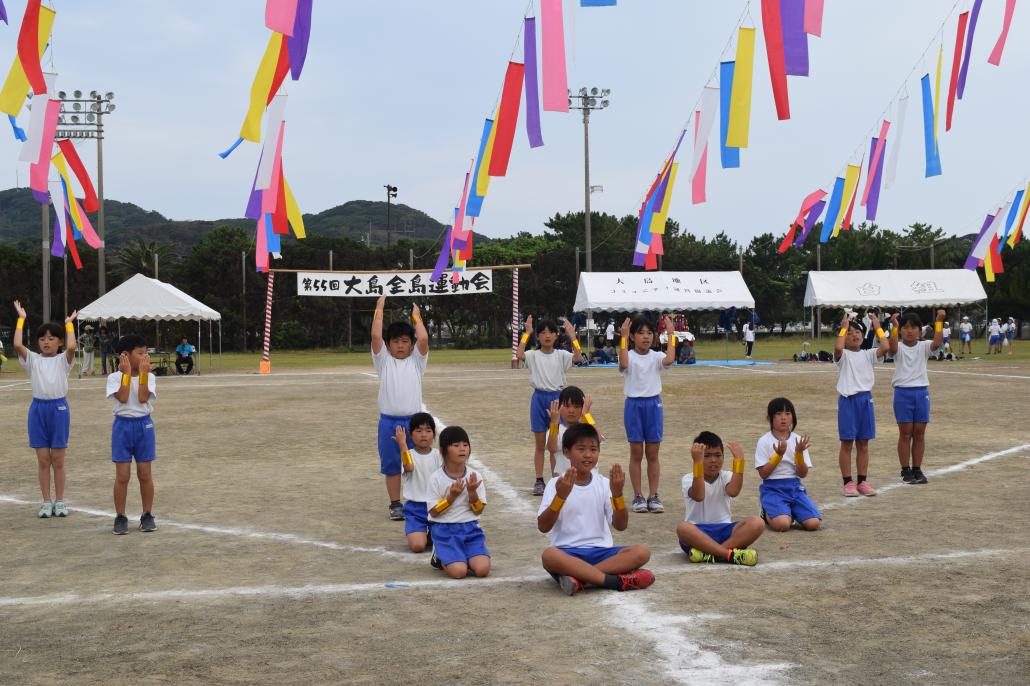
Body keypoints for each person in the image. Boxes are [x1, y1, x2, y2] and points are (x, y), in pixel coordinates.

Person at [538, 423, 654, 595]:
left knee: (642, 551)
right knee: (549, 556)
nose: (588, 455)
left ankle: (581, 578)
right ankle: (612, 581)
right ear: (567, 452)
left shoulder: (604, 483)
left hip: (602, 552)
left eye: (593, 449)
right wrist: (560, 497)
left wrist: (618, 495)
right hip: (568, 554)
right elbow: (543, 526)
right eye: (581, 449)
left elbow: (620, 526)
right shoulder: (556, 484)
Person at [12, 300, 77, 519]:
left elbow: (72, 347)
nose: (46, 342)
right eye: (42, 339)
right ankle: (46, 502)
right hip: (38, 410)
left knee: (58, 460)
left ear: (59, 342)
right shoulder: (33, 360)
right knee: (42, 460)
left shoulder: (63, 360)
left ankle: (60, 501)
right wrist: (21, 320)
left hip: (58, 409)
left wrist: (69, 325)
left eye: (51, 338)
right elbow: (18, 346)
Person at [371, 295, 429, 521]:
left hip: (415, 422)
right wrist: (379, 308)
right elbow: (376, 335)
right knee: (393, 465)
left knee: (419, 461)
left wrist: (417, 318)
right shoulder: (383, 361)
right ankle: (396, 504)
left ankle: (421, 499)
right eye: (395, 341)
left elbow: (423, 339)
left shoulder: (417, 361)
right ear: (388, 345)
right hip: (389, 422)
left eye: (405, 341)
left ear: (411, 345)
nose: (401, 345)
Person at [515, 315, 582, 495]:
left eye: (551, 332)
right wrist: (526, 334)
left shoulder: (561, 355)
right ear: (538, 336)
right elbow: (519, 355)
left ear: (556, 336)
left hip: (557, 400)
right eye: (542, 332)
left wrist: (573, 337)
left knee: (556, 443)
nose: (547, 336)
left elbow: (578, 357)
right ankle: (539, 479)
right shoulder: (533, 355)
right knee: (539, 444)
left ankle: (556, 478)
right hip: (539, 399)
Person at [619, 314, 676, 513]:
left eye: (649, 333)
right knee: (636, 453)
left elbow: (670, 359)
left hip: (653, 405)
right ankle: (638, 496)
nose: (646, 337)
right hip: (634, 406)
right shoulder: (628, 354)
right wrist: (623, 337)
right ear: (633, 336)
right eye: (640, 333)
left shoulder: (656, 356)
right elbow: (624, 364)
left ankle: (653, 495)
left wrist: (671, 335)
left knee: (653, 453)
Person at [677, 432, 762, 565]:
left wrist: (739, 460)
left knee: (757, 523)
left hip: (725, 531)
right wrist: (697, 463)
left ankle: (712, 554)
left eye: (718, 455)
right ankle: (728, 554)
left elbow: (734, 491)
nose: (713, 460)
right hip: (698, 532)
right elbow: (699, 496)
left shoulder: (726, 476)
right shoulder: (688, 478)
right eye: (707, 456)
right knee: (683, 529)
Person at [106, 334, 158, 534]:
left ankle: (147, 514)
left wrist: (143, 374)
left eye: (146, 353)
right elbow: (124, 397)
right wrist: (126, 373)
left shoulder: (149, 376)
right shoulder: (114, 377)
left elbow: (143, 398)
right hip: (122, 427)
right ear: (125, 356)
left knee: (145, 473)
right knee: (122, 475)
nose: (146, 357)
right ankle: (120, 516)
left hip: (144, 427)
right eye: (141, 353)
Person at [834, 312, 890, 497]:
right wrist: (844, 326)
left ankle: (863, 481)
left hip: (865, 400)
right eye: (850, 333)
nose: (854, 335)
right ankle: (847, 482)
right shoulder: (843, 356)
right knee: (847, 444)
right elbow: (838, 348)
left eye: (857, 331)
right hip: (848, 401)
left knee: (863, 444)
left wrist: (877, 326)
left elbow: (886, 346)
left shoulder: (868, 354)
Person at [889, 310, 945, 485]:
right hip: (903, 393)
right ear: (900, 331)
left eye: (913, 327)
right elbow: (891, 347)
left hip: (921, 393)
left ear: (920, 331)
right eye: (905, 327)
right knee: (905, 434)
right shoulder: (898, 347)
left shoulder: (923, 346)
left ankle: (917, 468)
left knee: (919, 434)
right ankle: (905, 470)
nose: (909, 331)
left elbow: (937, 342)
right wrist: (893, 327)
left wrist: (938, 321)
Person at [426, 426, 489, 579]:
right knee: (459, 572)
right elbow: (433, 511)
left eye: (465, 445)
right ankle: (439, 555)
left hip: (471, 530)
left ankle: (461, 556)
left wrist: (472, 493)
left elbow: (478, 511)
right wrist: (451, 498)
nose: (462, 449)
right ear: (443, 451)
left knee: (482, 570)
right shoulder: (436, 478)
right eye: (456, 445)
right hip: (445, 531)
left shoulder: (475, 475)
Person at [755, 398, 821, 531]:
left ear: (793, 417)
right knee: (783, 525)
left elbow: (802, 474)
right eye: (778, 414)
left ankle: (788, 510)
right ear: (769, 418)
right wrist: (778, 455)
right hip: (773, 488)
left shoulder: (798, 440)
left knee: (814, 524)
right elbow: (763, 474)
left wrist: (799, 453)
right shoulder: (764, 441)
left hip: (795, 488)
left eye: (788, 413)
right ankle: (766, 512)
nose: (783, 418)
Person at [393, 412, 442, 553]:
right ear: (410, 435)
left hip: (437, 508)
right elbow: (409, 467)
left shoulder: (439, 455)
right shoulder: (408, 455)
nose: (423, 435)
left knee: (441, 541)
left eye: (428, 430)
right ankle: (420, 532)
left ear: (434, 434)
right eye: (418, 431)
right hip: (415, 509)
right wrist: (402, 444)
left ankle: (430, 534)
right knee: (418, 546)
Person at [546, 385, 599, 475]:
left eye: (576, 406)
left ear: (583, 407)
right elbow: (552, 448)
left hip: (588, 481)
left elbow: (598, 438)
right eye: (567, 406)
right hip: (563, 480)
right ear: (559, 407)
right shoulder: (556, 429)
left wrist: (587, 415)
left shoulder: (586, 427)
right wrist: (554, 423)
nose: (571, 410)